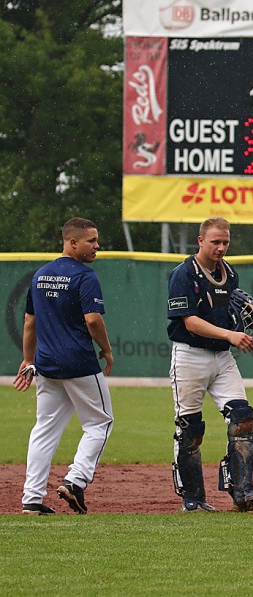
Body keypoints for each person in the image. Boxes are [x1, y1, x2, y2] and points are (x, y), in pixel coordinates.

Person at [14, 217, 114, 515]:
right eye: (91, 241)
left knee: (44, 429)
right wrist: (106, 350)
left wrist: (29, 360)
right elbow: (93, 319)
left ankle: (31, 498)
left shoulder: (41, 275)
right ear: (73, 242)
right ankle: (75, 481)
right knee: (100, 423)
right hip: (79, 363)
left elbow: (30, 321)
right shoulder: (85, 276)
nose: (97, 246)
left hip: (46, 365)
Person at [166, 216, 253, 512]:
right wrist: (231, 334)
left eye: (225, 242)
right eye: (215, 242)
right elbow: (190, 322)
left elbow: (228, 309)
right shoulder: (184, 273)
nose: (221, 247)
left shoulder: (229, 273)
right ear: (200, 241)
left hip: (222, 356)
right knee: (190, 428)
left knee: (242, 417)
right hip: (190, 356)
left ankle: (241, 490)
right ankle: (193, 498)